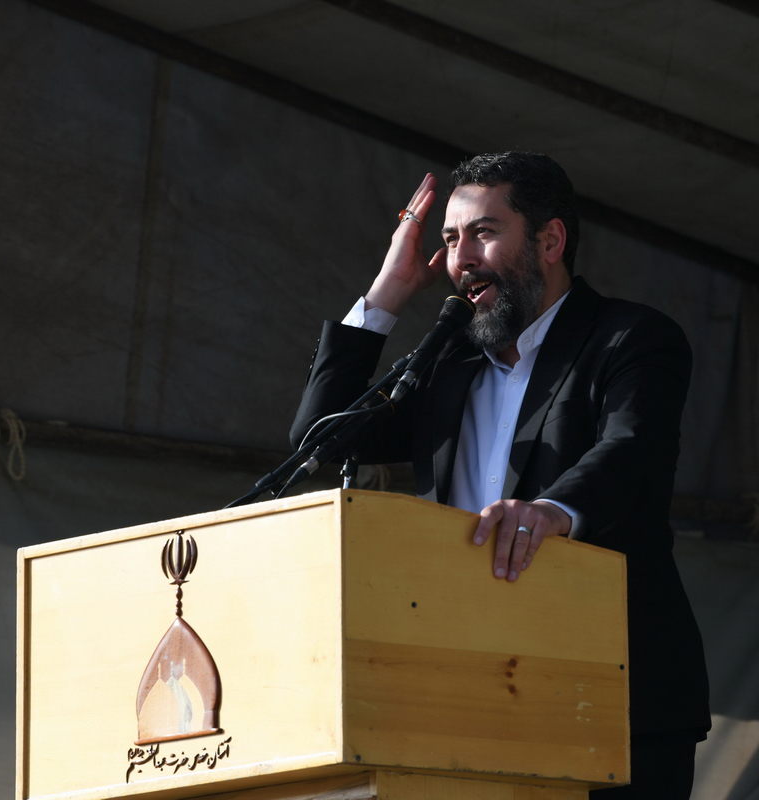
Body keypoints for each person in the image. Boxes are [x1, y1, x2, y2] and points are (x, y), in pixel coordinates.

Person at [291, 152, 710, 798]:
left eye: (483, 233)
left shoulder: (629, 339)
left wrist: (550, 511)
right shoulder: (447, 363)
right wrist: (387, 291)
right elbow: (320, 438)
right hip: (468, 695)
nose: (461, 257)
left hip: (612, 697)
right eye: (450, 239)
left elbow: (631, 449)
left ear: (550, 241)